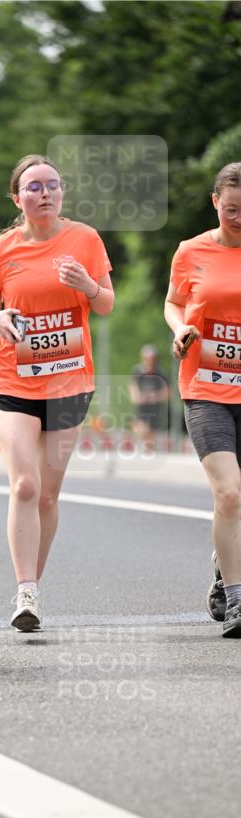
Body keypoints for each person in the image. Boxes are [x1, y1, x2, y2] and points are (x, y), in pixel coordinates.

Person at [0, 153, 114, 631]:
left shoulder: (85, 239)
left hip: (69, 381)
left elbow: (106, 304)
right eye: (33, 187)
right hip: (11, 379)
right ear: (18, 198)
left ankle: (34, 588)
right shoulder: (3, 248)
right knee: (25, 485)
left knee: (48, 496)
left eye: (52, 184)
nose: (45, 193)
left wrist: (88, 285)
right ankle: (25, 591)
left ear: (62, 192)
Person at [164, 161, 241, 639]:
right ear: (215, 202)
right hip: (206, 388)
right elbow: (174, 302)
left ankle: (223, 562)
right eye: (231, 208)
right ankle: (237, 599)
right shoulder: (190, 251)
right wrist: (180, 329)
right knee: (229, 492)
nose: (238, 217)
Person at [129, 345, 170, 452]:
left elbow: (168, 392)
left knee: (151, 434)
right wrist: (138, 397)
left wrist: (155, 396)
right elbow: (133, 388)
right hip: (142, 407)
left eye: (151, 358)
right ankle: (145, 449)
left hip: (155, 408)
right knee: (142, 430)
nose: (149, 361)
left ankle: (149, 451)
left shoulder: (161, 373)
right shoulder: (138, 371)